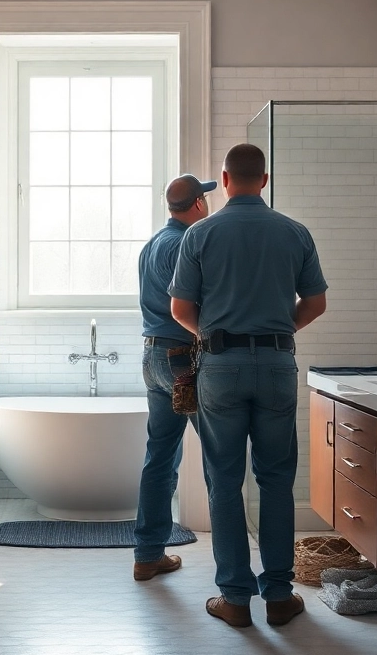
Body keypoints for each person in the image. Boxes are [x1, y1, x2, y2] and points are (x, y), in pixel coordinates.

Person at [169, 143, 328, 628]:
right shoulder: (294, 232)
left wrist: (219, 339)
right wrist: (275, 334)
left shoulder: (200, 234)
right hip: (278, 364)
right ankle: (279, 595)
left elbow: (180, 309)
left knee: (223, 480)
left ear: (225, 177)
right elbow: (315, 302)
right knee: (277, 480)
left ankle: (235, 599)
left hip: (221, 365)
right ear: (264, 179)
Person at [132, 174, 215, 581]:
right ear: (199, 204)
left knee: (160, 456)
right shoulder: (187, 243)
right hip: (182, 357)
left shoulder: (152, 245)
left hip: (153, 356)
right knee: (219, 456)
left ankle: (147, 555)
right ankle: (233, 569)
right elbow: (198, 301)